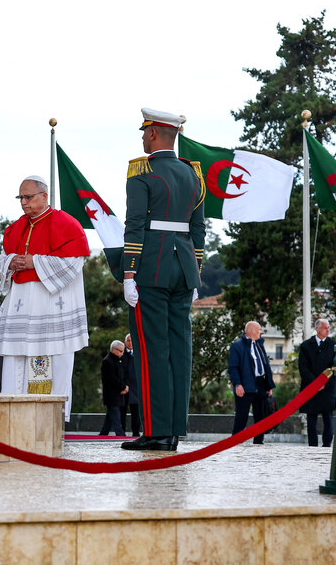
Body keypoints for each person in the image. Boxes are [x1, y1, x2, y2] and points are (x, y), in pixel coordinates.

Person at [121, 109, 206, 452]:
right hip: (184, 269)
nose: (143, 138)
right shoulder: (193, 174)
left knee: (151, 350)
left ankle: (156, 431)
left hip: (151, 269)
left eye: (145, 132)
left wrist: (129, 273)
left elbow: (135, 224)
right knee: (179, 351)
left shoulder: (142, 172)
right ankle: (174, 430)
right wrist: (195, 271)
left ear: (154, 133)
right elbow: (198, 229)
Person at [0, 175, 90, 421]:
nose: (23, 202)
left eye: (28, 197)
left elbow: (74, 262)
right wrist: (11, 261)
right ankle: (14, 415)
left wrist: (36, 261)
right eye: (20, 197)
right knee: (15, 357)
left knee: (57, 358)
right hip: (21, 308)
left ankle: (51, 419)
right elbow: (1, 260)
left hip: (52, 305)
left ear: (44, 196)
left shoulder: (67, 224)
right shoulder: (16, 228)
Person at [228, 321, 275, 444]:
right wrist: (237, 384)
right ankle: (234, 443)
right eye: (259, 330)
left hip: (260, 384)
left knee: (261, 416)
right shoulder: (237, 345)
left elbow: (265, 365)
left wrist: (268, 385)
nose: (261, 332)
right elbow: (233, 368)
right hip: (245, 385)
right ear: (252, 331)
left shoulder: (259, 344)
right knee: (241, 416)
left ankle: (258, 442)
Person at [298, 318, 336, 447]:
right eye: (325, 327)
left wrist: (324, 383)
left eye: (328, 327)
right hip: (310, 387)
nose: (328, 330)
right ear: (317, 329)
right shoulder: (306, 346)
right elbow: (303, 367)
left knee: (328, 417)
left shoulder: (334, 346)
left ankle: (327, 445)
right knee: (311, 418)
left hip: (328, 388)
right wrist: (315, 383)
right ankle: (312, 446)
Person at [99, 340, 129, 436]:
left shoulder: (117, 360)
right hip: (111, 395)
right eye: (121, 351)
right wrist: (123, 387)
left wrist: (125, 387)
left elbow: (122, 375)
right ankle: (121, 436)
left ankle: (103, 434)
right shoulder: (107, 361)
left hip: (117, 394)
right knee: (116, 418)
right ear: (114, 350)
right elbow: (112, 379)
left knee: (110, 418)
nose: (122, 353)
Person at [120, 333, 141, 437]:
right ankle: (121, 434)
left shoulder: (139, 354)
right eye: (128, 340)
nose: (130, 343)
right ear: (125, 342)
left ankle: (136, 434)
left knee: (136, 414)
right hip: (123, 389)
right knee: (121, 413)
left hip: (136, 389)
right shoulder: (120, 354)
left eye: (132, 340)